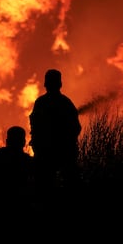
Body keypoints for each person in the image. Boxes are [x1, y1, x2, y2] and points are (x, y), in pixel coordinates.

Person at [29, 69, 82, 201]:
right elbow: (35, 127)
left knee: (49, 188)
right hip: (50, 153)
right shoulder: (64, 103)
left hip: (58, 153)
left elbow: (75, 128)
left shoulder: (42, 102)